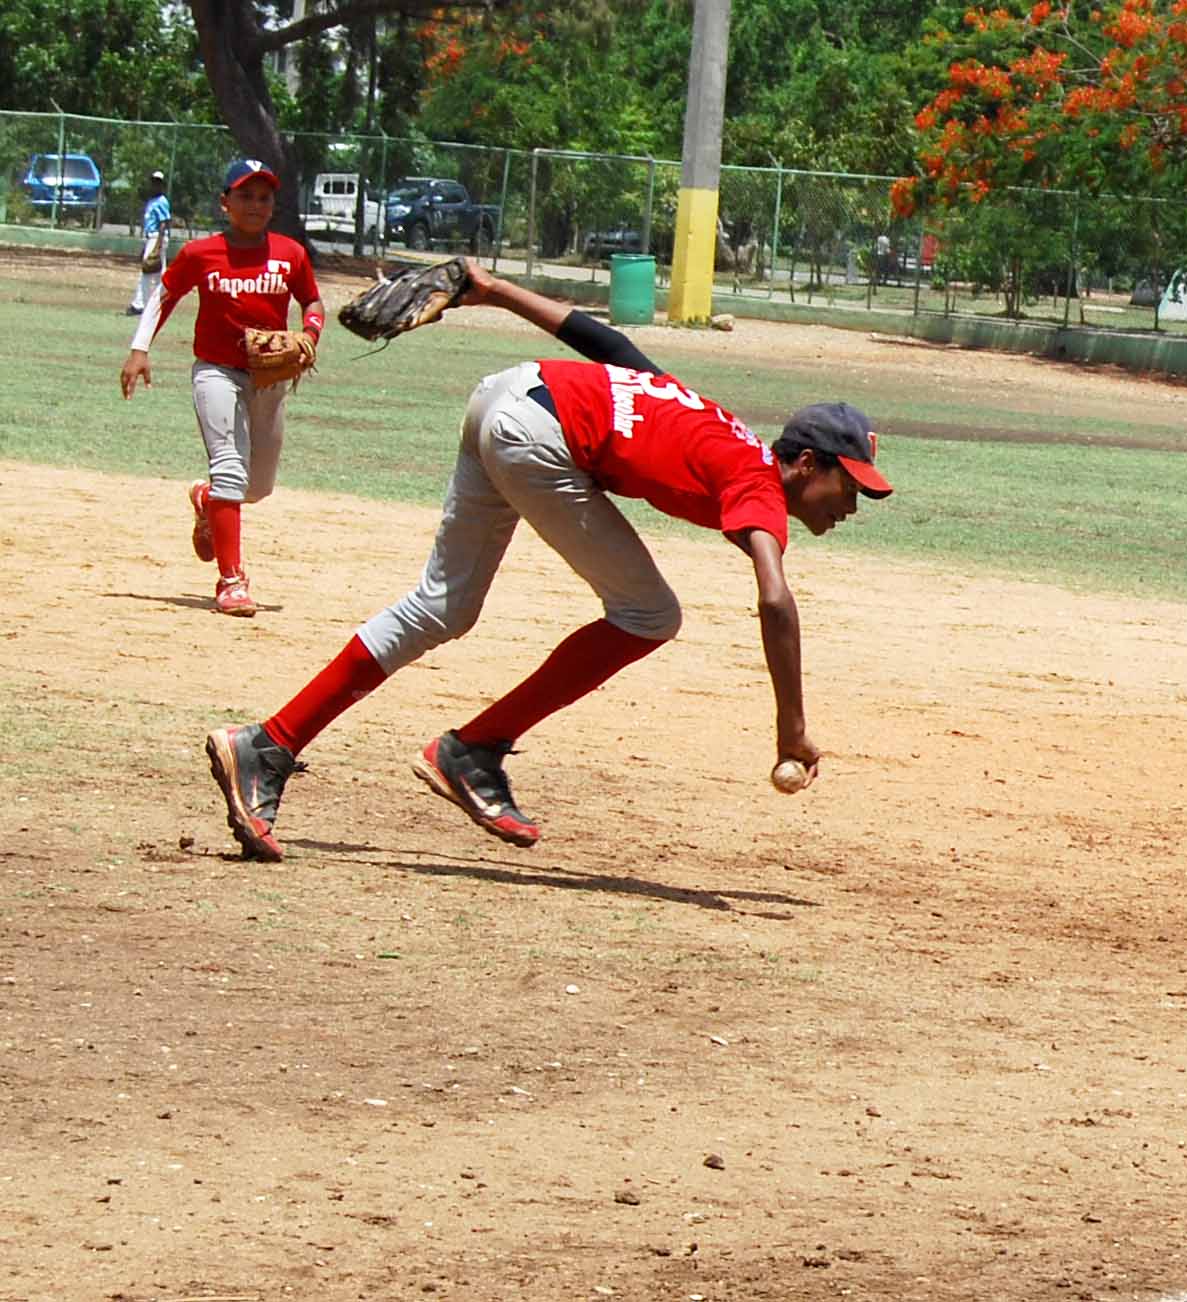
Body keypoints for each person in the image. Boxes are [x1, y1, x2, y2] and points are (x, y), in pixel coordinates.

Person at [201, 259, 893, 862]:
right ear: (806, 463)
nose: (852, 505)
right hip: (538, 433)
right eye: (850, 486)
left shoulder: (718, 426)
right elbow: (774, 598)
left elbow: (607, 345)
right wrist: (791, 727)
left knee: (443, 606)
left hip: (504, 396)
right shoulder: (758, 484)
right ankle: (474, 748)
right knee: (650, 614)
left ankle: (267, 744)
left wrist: (494, 290)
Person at [119, 159, 323, 616]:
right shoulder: (201, 253)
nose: (255, 204)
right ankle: (232, 581)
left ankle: (206, 500)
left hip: (269, 378)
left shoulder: (290, 253)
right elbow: (165, 296)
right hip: (216, 372)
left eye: (264, 197)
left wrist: (310, 333)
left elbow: (311, 300)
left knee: (257, 487)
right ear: (224, 203)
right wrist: (139, 349)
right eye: (245, 195)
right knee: (230, 470)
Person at [126, 170, 171, 316]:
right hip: (151, 238)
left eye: (158, 183)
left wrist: (157, 245)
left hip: (157, 236)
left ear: (162, 185)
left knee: (147, 271)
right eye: (153, 182)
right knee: (159, 274)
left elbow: (163, 223)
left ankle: (140, 304)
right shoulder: (152, 201)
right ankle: (160, 303)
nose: (155, 185)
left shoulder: (162, 201)